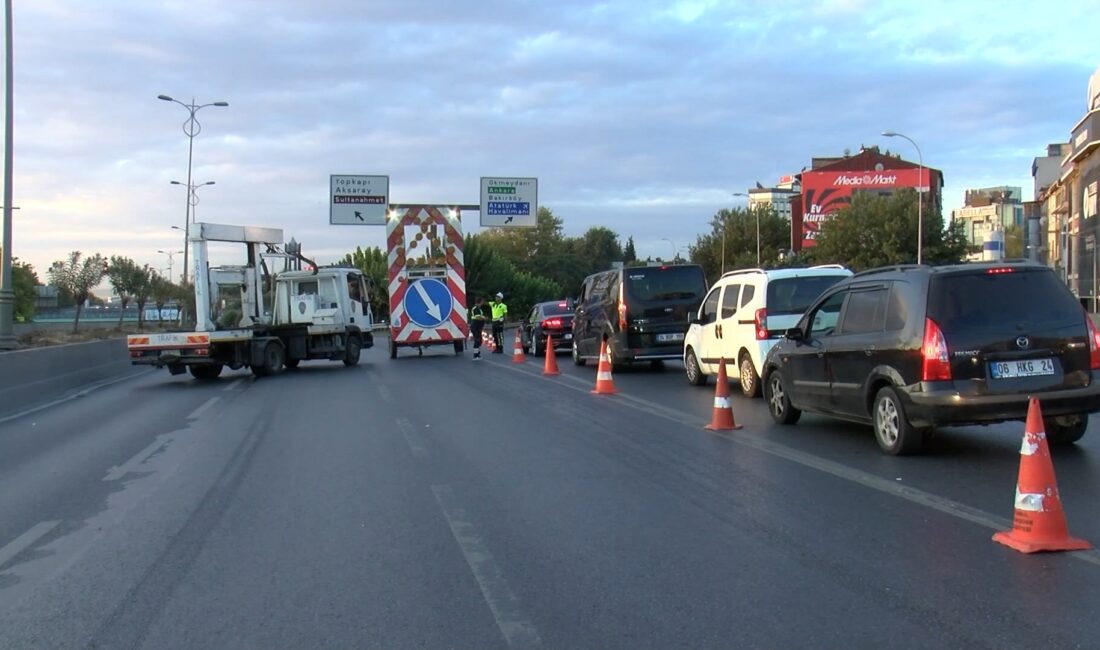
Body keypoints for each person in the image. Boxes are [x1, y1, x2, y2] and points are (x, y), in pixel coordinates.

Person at [469, 296, 487, 360]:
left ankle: (478, 354)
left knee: (479, 341)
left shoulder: (479, 308)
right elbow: (478, 317)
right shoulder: (475, 308)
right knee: (477, 340)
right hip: (475, 326)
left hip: (478, 327)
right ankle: (475, 355)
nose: (483, 302)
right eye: (482, 301)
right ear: (480, 301)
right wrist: (484, 318)